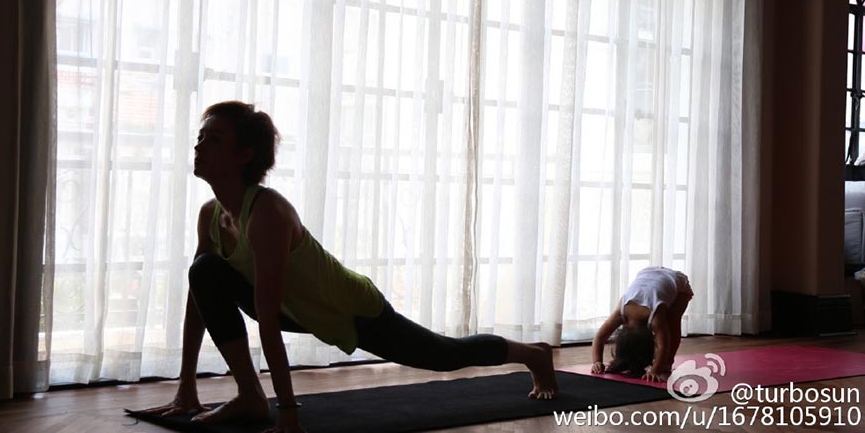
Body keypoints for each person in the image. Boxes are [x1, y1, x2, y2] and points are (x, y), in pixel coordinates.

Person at [140, 101, 558, 432]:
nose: (198, 147)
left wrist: (288, 412)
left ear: (244, 155)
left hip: (350, 308)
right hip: (293, 310)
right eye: (200, 137)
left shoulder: (266, 214)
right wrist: (186, 388)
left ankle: (533, 355)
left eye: (212, 140)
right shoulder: (210, 214)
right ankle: (249, 395)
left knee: (442, 355)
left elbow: (265, 321)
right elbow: (200, 301)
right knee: (205, 271)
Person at [589, 266, 693, 382]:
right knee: (664, 327)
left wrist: (655, 370)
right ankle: (662, 362)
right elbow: (599, 337)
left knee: (672, 323)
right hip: (647, 273)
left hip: (678, 283)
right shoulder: (621, 311)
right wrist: (597, 361)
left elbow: (664, 345)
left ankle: (667, 362)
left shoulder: (655, 317)